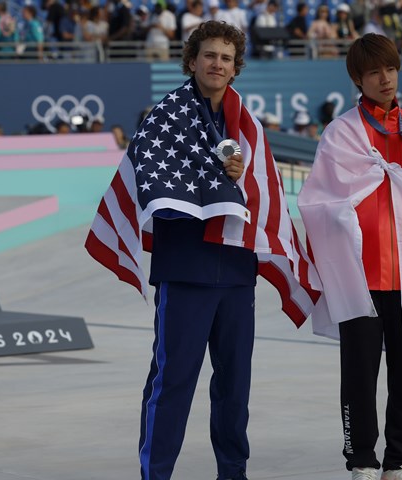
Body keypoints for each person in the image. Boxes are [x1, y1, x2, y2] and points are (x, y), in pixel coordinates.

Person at [297, 33, 402, 480]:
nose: (385, 78)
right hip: (359, 274)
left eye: (390, 68)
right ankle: (362, 460)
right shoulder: (342, 133)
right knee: (360, 375)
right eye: (374, 72)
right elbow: (317, 200)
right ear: (358, 79)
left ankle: (401, 459)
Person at [135, 21, 254, 480]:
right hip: (186, 270)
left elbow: (262, 189)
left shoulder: (248, 125)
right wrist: (213, 176)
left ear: (235, 67)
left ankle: (233, 473)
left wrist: (240, 180)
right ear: (192, 61)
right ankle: (156, 474)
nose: (217, 64)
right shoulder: (165, 119)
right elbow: (157, 191)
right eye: (209, 55)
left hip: (238, 270)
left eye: (226, 58)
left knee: (234, 388)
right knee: (173, 383)